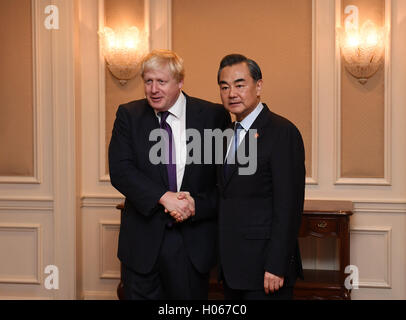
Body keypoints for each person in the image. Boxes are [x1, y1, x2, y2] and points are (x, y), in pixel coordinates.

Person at [109, 49, 231, 299]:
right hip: (143, 243)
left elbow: (226, 181)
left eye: (161, 82)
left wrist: (196, 205)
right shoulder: (128, 115)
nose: (153, 89)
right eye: (148, 81)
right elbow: (121, 170)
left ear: (180, 82)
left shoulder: (213, 116)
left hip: (191, 245)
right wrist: (165, 197)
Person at [216, 54, 305, 300]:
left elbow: (288, 207)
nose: (232, 93)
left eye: (240, 85)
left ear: (259, 86)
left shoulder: (282, 132)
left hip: (266, 272)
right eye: (225, 87)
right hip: (232, 268)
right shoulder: (224, 135)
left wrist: (276, 265)